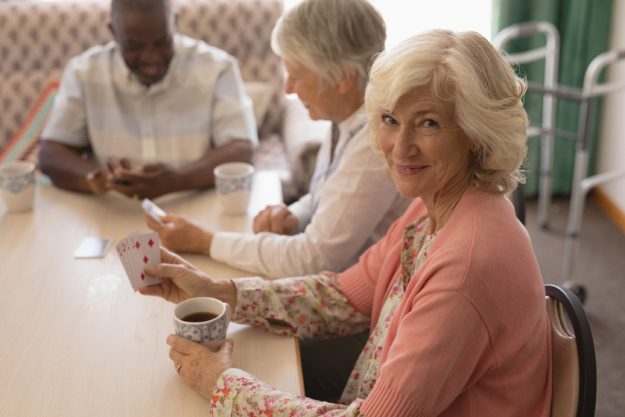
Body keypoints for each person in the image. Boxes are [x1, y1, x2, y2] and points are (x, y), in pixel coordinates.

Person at [140, 29, 552, 417]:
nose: (400, 146)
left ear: (477, 134)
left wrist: (221, 385)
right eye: (390, 119)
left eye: (429, 122)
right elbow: (344, 296)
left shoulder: (467, 265)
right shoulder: (438, 205)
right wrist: (221, 291)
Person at [145, 0, 409, 278]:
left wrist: (203, 241)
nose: (287, 88)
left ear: (343, 78)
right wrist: (294, 216)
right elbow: (329, 193)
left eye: (295, 75)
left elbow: (313, 259)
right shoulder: (348, 118)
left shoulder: (373, 144)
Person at [38, 0, 257, 200]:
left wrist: (177, 181)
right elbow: (51, 154)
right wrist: (94, 178)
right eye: (134, 47)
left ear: (175, 22)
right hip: (110, 211)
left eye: (163, 42)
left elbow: (241, 148)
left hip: (195, 203)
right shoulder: (83, 72)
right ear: (113, 32)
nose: (151, 57)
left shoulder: (218, 67)